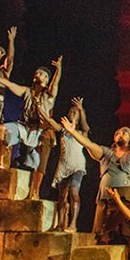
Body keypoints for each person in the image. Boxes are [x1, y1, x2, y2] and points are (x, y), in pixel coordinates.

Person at [61, 116, 130, 260]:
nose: (119, 134)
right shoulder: (106, 153)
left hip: (127, 199)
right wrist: (72, 131)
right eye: (117, 133)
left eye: (124, 133)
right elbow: (88, 144)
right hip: (105, 199)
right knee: (100, 234)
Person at [0, 56, 61, 199]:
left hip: (41, 131)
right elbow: (8, 84)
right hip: (26, 126)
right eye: (36, 72)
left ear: (46, 79)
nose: (37, 74)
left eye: (41, 73)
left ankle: (35, 192)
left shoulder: (48, 95)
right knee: (1, 129)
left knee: (39, 163)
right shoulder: (26, 91)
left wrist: (58, 70)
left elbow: (55, 85)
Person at [39, 97, 88, 231]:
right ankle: (60, 224)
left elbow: (85, 126)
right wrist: (39, 108)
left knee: (74, 191)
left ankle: (73, 224)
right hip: (64, 165)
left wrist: (81, 109)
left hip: (77, 166)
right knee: (62, 195)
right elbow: (50, 121)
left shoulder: (81, 132)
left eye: (75, 112)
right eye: (71, 111)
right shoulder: (63, 130)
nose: (73, 113)